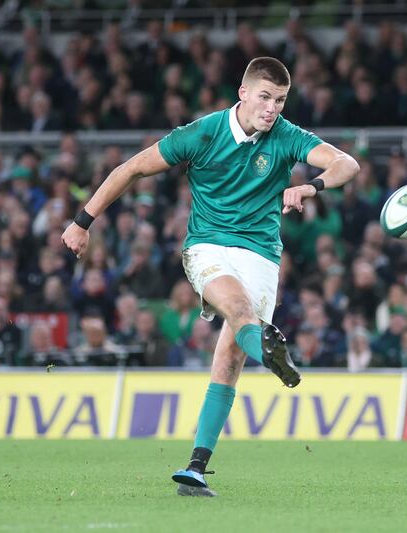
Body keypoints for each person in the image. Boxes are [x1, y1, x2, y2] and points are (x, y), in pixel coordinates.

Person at [61, 57, 359, 497]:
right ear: (243, 93)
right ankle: (271, 349)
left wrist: (310, 185)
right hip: (208, 247)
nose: (272, 108)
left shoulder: (287, 135)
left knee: (230, 359)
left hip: (261, 256)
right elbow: (130, 169)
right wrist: (81, 222)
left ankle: (196, 467)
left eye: (279, 100)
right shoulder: (202, 133)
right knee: (239, 312)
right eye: (264, 97)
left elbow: (346, 163)